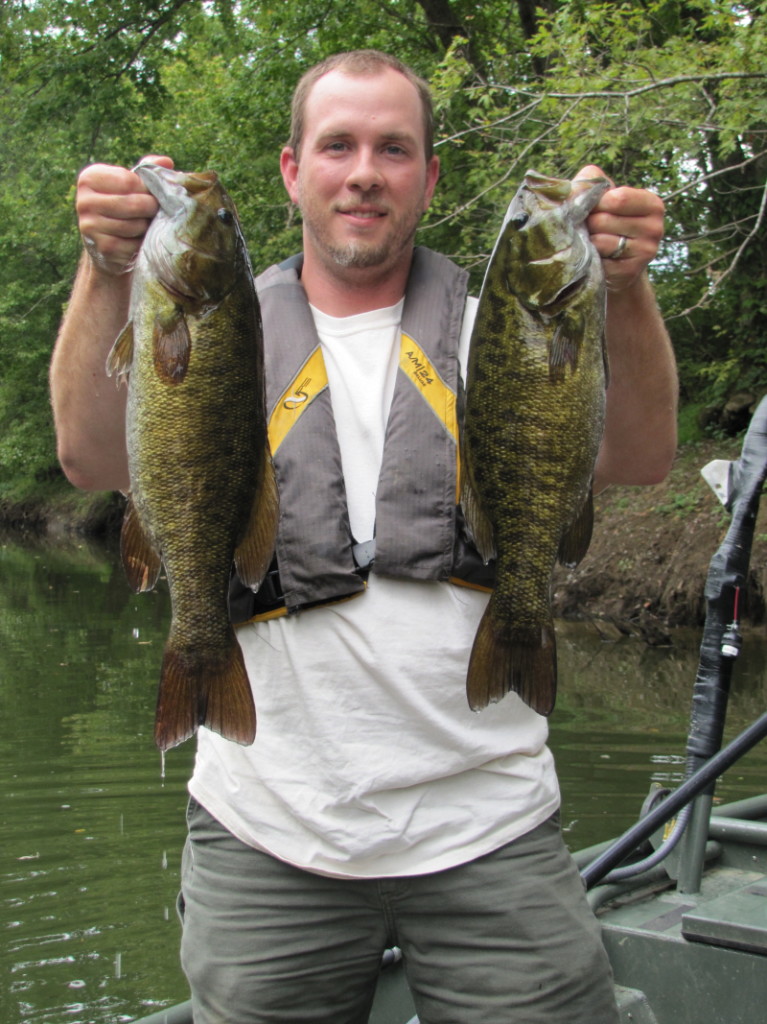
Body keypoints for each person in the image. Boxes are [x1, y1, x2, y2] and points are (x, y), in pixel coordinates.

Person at [51, 50, 677, 1024]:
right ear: (292, 170)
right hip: (266, 836)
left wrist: (626, 287)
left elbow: (637, 459)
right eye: (336, 144)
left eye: (394, 148)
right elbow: (91, 462)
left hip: (493, 827)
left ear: (427, 176)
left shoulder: (497, 327)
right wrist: (105, 273)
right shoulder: (220, 322)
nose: (363, 171)